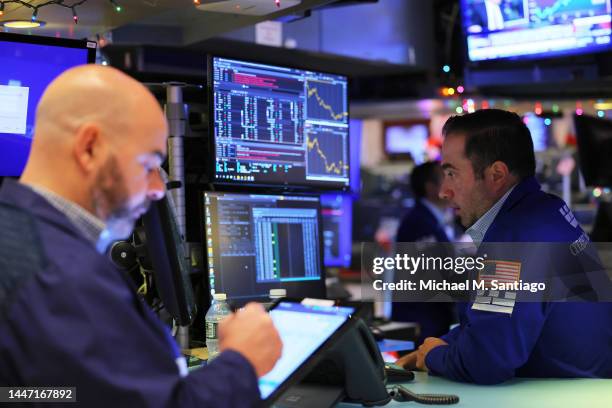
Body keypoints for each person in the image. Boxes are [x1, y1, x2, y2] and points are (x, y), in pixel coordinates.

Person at [0, 65, 282, 406]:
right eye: (148, 166)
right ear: (89, 147)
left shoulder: (15, 231)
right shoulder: (64, 276)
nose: (156, 191)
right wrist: (242, 360)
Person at [396, 109, 612, 384]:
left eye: (452, 173)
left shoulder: (512, 240)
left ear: (496, 174)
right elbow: (490, 323)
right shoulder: (547, 209)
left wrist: (435, 356)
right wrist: (441, 344)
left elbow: (486, 362)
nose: (443, 191)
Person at [392, 162, 456, 343]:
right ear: (431, 187)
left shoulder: (431, 219)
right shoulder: (418, 223)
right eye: (447, 177)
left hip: (431, 320)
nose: (453, 184)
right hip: (422, 324)